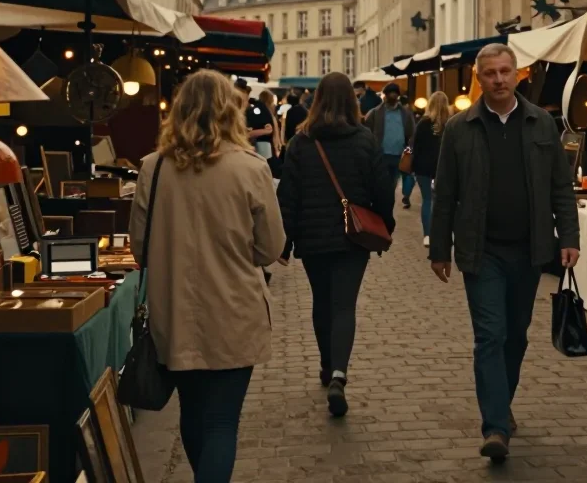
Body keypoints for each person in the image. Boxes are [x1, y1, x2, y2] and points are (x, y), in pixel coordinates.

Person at [129, 70, 285, 483]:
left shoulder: (153, 168)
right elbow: (270, 248)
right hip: (235, 311)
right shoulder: (250, 168)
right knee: (221, 422)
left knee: (193, 413)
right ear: (230, 111)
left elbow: (139, 249)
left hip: (174, 312)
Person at [428, 43, 581, 461]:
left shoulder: (541, 123)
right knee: (490, 336)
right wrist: (439, 249)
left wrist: (569, 236)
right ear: (478, 79)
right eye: (490, 73)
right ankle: (495, 427)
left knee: (515, 335)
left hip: (529, 250)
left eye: (505, 72)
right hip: (482, 251)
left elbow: (560, 187)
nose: (498, 80)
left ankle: (501, 403)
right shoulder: (460, 128)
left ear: (517, 74)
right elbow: (445, 195)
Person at [278, 72, 395, 417]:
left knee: (321, 302)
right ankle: (339, 375)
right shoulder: (364, 139)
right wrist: (385, 226)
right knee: (344, 305)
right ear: (351, 100)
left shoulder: (301, 142)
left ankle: (327, 365)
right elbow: (382, 189)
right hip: (353, 238)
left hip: (312, 237)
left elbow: (287, 197)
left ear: (316, 101)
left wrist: (285, 242)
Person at [411, 90, 449, 247]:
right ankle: (443, 234)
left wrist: (414, 167)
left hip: (423, 168)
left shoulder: (423, 123)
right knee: (444, 201)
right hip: (444, 169)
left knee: (427, 200)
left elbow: (415, 146)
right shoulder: (450, 124)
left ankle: (427, 235)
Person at [364, 82, 415, 200]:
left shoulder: (405, 113)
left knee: (392, 184)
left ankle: (389, 203)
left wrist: (409, 148)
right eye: (390, 94)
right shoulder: (375, 113)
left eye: (395, 94)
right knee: (383, 184)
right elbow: (367, 131)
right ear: (385, 96)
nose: (392, 96)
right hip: (381, 154)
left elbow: (411, 132)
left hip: (399, 155)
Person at [235, 79, 275, 157]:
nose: (246, 103)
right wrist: (265, 131)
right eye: (244, 100)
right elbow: (243, 134)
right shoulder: (234, 116)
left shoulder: (251, 111)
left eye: (246, 100)